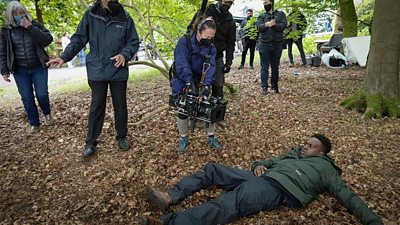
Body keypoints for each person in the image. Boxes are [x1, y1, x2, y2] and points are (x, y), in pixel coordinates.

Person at [140, 134, 383, 225]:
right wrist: (259, 165)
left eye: (310, 146)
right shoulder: (294, 155)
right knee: (213, 169)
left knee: (227, 203)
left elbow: (348, 197)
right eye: (305, 143)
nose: (304, 147)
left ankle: (170, 223)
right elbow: (269, 161)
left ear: (322, 153)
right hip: (261, 177)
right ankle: (170, 196)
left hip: (275, 189)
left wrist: (372, 221)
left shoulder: (327, 171)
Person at [46, 0, 139, 157]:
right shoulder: (91, 14)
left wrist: (125, 54)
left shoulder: (125, 17)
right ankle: (91, 142)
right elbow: (78, 39)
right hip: (97, 69)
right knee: (97, 106)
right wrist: (64, 57)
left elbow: (133, 41)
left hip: (118, 69)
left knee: (120, 105)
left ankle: (122, 136)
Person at [0, 1, 54, 134]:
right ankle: (34, 123)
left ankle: (47, 114)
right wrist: (4, 70)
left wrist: (30, 27)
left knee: (42, 95)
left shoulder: (34, 25)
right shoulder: (6, 31)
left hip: (39, 67)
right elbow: (2, 51)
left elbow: (48, 39)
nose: (19, 16)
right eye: (15, 14)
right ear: (10, 15)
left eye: (21, 13)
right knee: (27, 97)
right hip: (20, 70)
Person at [171, 17, 221, 154]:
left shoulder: (211, 47)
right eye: (207, 37)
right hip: (183, 77)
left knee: (208, 105)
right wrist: (189, 83)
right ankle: (183, 138)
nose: (209, 40)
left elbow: (211, 66)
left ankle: (211, 137)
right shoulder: (185, 42)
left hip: (201, 77)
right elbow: (181, 64)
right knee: (183, 107)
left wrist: (206, 85)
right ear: (198, 31)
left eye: (212, 37)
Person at [188, 0, 236, 100]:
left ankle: (215, 109)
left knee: (218, 87)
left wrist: (228, 62)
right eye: (226, 2)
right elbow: (190, 30)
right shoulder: (206, 12)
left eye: (230, 3)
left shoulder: (230, 21)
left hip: (217, 56)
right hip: (199, 54)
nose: (227, 5)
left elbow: (231, 42)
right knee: (194, 86)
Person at [256, 0, 286, 95]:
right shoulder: (262, 16)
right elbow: (259, 27)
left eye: (266, 3)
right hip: (264, 45)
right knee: (264, 67)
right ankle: (264, 87)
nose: (265, 5)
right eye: (264, 3)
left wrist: (274, 25)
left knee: (275, 67)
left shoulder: (281, 14)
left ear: (272, 3)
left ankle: (274, 86)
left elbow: (283, 26)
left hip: (277, 44)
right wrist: (267, 24)